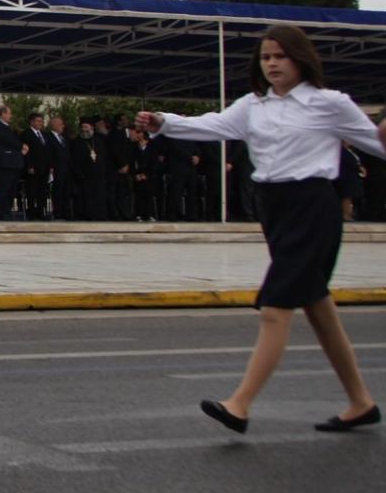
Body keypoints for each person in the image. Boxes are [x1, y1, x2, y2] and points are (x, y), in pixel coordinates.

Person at [139, 24, 383, 435]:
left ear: (300, 59)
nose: (271, 63)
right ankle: (361, 401)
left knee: (275, 307)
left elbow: (375, 143)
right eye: (266, 57)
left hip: (313, 208)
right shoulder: (254, 106)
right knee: (318, 309)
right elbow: (212, 126)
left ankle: (240, 404)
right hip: (275, 209)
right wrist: (164, 122)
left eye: (280, 56)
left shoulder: (330, 104)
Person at [71, 119, 109, 220]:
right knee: (85, 197)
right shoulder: (77, 142)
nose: (84, 130)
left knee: (99, 196)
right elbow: (74, 160)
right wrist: (79, 173)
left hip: (98, 174)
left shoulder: (99, 140)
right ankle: (87, 215)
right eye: (82, 128)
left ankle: (100, 215)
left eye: (86, 127)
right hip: (84, 175)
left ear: (92, 128)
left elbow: (103, 157)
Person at [20, 112, 50, 219]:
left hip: (44, 168)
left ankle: (41, 212)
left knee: (42, 191)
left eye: (41, 121)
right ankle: (32, 212)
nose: (40, 123)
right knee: (32, 191)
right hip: (33, 168)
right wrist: (29, 166)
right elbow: (26, 152)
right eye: (38, 121)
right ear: (31, 122)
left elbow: (47, 151)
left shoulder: (44, 134)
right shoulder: (26, 134)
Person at [47, 115, 74, 220]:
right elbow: (48, 153)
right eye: (61, 124)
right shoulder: (48, 137)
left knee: (67, 191)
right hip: (56, 169)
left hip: (66, 168)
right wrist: (50, 166)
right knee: (58, 191)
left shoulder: (64, 138)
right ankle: (57, 212)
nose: (63, 126)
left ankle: (66, 212)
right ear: (54, 125)